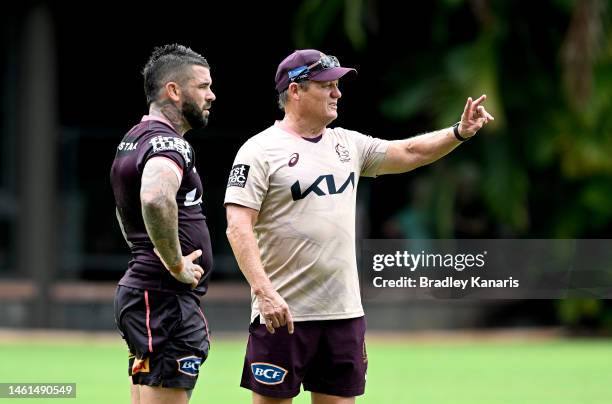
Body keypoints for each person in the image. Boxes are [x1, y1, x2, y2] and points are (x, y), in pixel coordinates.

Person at [224, 49, 494, 404]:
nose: (338, 93)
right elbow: (237, 227)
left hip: (343, 314)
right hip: (283, 314)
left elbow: (409, 152)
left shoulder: (347, 144)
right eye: (327, 86)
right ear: (295, 91)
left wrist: (458, 132)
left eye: (338, 85)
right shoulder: (259, 151)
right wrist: (264, 292)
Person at [110, 43, 216, 404]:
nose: (211, 95)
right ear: (174, 90)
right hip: (163, 300)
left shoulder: (133, 139)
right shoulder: (168, 143)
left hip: (147, 296)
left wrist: (146, 255)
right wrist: (174, 263)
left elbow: (127, 216)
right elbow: (155, 197)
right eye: (202, 86)